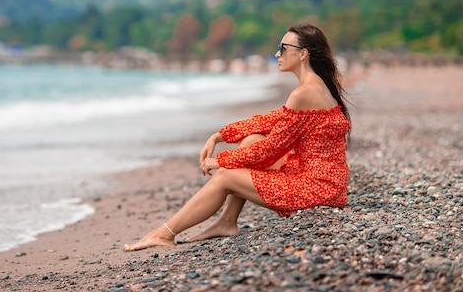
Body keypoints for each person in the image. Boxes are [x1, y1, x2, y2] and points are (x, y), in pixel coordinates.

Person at [124, 23, 351, 251]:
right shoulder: (318, 86)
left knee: (224, 177)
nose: (276, 54)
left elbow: (271, 150)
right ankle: (226, 222)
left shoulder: (304, 93)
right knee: (252, 140)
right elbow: (272, 120)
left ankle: (164, 234)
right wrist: (220, 136)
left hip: (318, 190)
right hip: (325, 182)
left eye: (282, 48)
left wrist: (221, 161)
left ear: (303, 54)